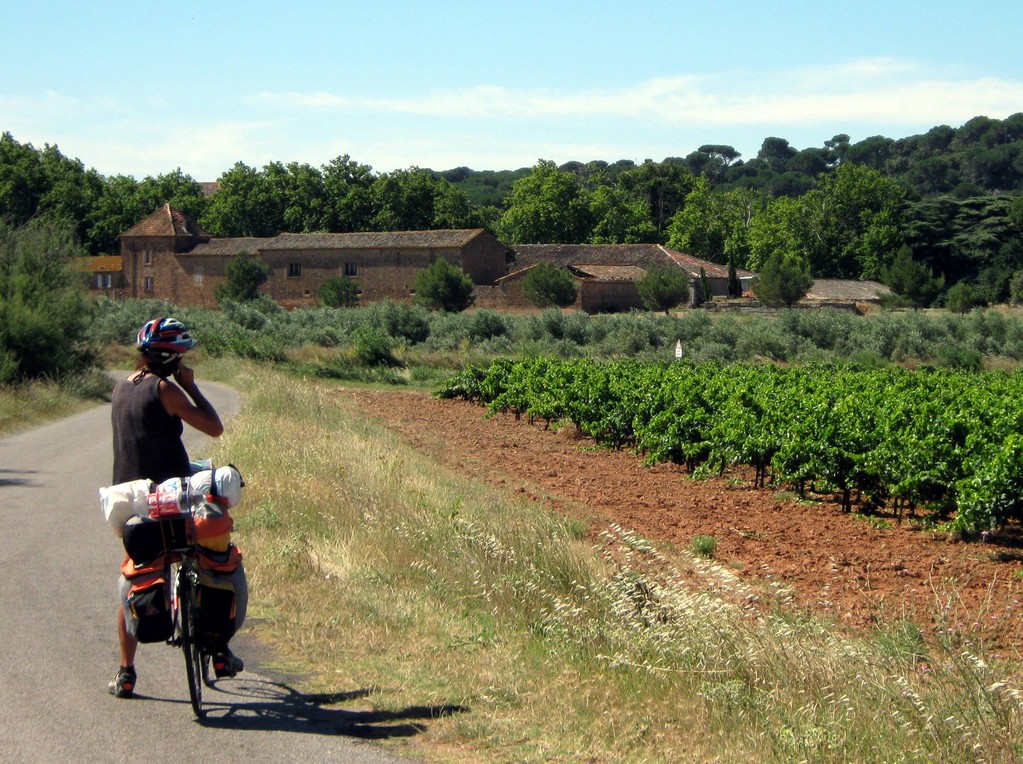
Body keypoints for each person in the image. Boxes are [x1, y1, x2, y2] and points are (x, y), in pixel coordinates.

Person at [108, 317, 246, 698]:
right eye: (183, 356)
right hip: (169, 500)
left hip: (131, 502)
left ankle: (125, 672)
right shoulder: (165, 389)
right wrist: (192, 387)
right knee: (210, 559)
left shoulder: (122, 388)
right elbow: (214, 428)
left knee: (135, 578)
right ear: (171, 358)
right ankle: (218, 651)